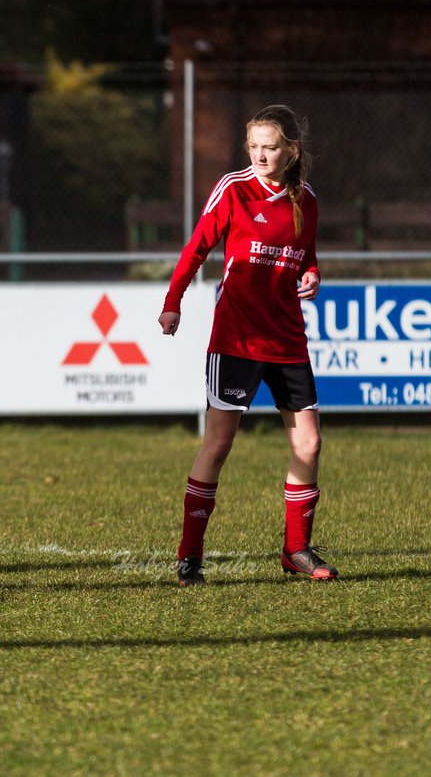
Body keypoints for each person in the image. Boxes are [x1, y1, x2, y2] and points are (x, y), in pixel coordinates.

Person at [159, 104, 336, 587]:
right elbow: (196, 246)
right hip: (236, 339)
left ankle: (296, 548)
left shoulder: (307, 199)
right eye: (253, 146)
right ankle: (189, 555)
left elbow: (306, 254)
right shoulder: (234, 189)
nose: (259, 154)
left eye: (270, 147)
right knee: (218, 445)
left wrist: (312, 274)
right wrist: (172, 301)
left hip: (288, 340)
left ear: (292, 150)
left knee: (310, 442)